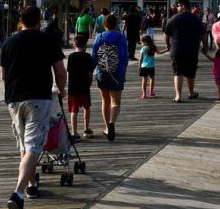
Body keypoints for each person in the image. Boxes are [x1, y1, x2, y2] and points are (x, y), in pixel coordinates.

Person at [0, 6, 66, 209]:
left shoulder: (8, 42)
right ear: (39, 21)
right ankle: (18, 193)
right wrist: (62, 90)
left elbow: (3, 75)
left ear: (21, 20)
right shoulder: (48, 40)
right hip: (38, 98)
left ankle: (31, 185)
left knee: (24, 145)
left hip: (14, 99)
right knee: (34, 146)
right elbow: (60, 72)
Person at [92, 14, 129, 142]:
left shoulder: (99, 37)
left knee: (105, 101)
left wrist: (91, 72)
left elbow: (94, 57)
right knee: (116, 103)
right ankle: (112, 122)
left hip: (102, 72)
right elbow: (124, 57)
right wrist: (123, 73)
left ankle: (107, 128)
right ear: (116, 24)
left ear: (105, 24)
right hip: (117, 73)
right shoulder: (121, 37)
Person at [163, 0, 207, 103]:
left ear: (182, 6)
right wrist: (204, 47)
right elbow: (204, 36)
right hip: (192, 50)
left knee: (178, 72)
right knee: (190, 73)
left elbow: (166, 35)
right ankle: (191, 93)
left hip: (177, 49)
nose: (177, 7)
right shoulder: (196, 19)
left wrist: (168, 46)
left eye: (178, 5)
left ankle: (178, 96)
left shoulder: (173, 19)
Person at [66, 33, 94, 140]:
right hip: (84, 86)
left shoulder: (71, 57)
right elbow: (90, 73)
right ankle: (86, 129)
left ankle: (74, 132)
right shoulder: (88, 57)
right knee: (86, 107)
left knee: (74, 110)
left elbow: (69, 72)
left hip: (73, 88)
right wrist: (90, 82)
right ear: (85, 45)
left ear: (74, 45)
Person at [138, 34, 161, 98]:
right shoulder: (153, 47)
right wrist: (167, 50)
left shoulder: (143, 48)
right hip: (151, 66)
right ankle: (151, 92)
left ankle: (144, 94)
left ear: (145, 42)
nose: (141, 43)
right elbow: (159, 53)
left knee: (144, 80)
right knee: (152, 79)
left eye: (142, 42)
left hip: (144, 67)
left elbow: (140, 58)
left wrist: (139, 66)